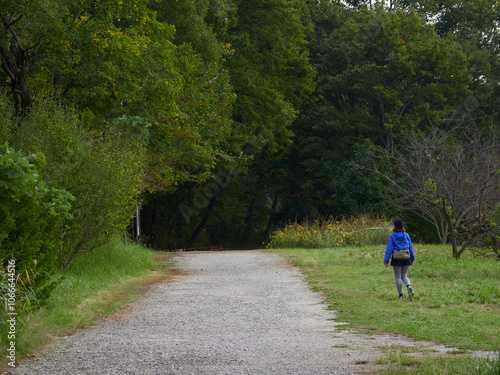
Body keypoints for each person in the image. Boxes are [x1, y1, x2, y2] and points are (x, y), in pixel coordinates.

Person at [384, 218, 415, 299]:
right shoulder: (406, 235)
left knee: (398, 277)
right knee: (404, 276)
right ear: (402, 226)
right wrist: (412, 259)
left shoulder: (392, 236)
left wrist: (386, 261)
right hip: (406, 257)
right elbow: (411, 248)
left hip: (396, 258)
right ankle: (408, 286)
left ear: (394, 226)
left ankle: (401, 295)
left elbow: (389, 249)